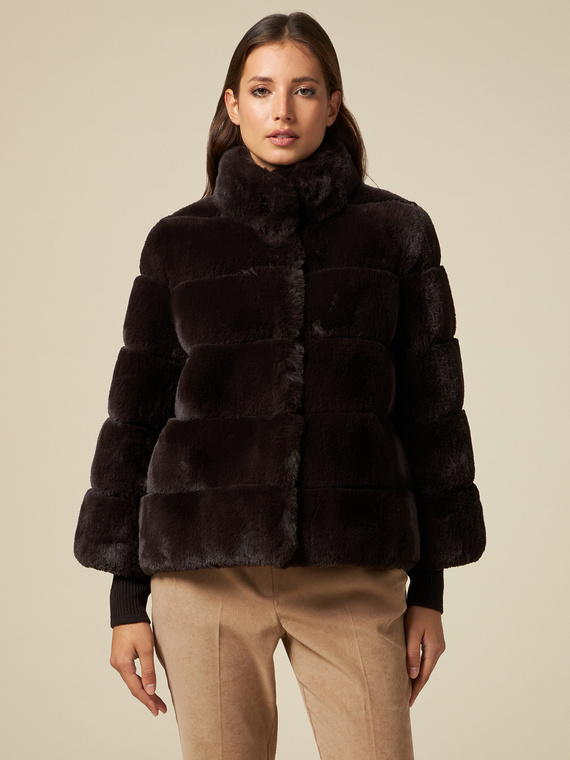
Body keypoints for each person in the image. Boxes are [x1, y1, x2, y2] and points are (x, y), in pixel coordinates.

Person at [74, 11, 486, 760]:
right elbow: (135, 420)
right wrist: (125, 599)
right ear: (233, 105)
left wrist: (429, 590)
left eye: (304, 90)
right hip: (203, 578)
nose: (282, 110)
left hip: (353, 573)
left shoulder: (398, 233)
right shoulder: (178, 241)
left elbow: (431, 416)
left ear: (333, 103)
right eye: (262, 90)